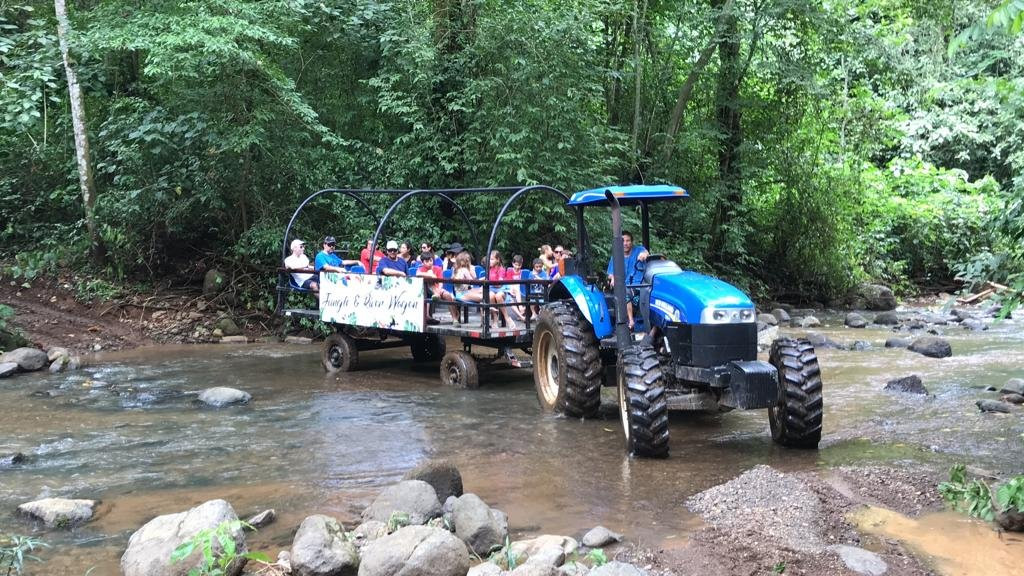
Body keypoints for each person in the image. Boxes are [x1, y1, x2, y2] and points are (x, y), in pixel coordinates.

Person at [453, 252, 516, 329]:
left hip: (468, 291)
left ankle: (488, 317)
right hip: (463, 293)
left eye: (491, 259)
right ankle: (489, 308)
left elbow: (479, 280)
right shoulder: (464, 270)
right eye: (469, 261)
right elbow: (473, 280)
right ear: (466, 262)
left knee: (487, 293)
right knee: (484, 295)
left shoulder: (457, 269)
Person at [606, 231, 649, 330]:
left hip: (641, 285)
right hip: (625, 286)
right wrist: (613, 279)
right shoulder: (616, 256)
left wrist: (644, 254)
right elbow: (610, 273)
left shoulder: (638, 250)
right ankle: (631, 321)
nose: (625, 243)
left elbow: (646, 252)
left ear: (632, 242)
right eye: (623, 241)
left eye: (628, 241)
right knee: (623, 292)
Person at [414, 252, 458, 324]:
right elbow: (417, 274)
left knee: (448, 295)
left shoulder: (438, 269)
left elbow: (440, 282)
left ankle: (454, 318)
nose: (429, 263)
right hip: (426, 291)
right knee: (429, 284)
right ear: (422, 262)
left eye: (431, 260)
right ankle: (427, 315)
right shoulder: (420, 269)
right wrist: (430, 275)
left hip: (438, 289)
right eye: (427, 261)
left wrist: (439, 291)